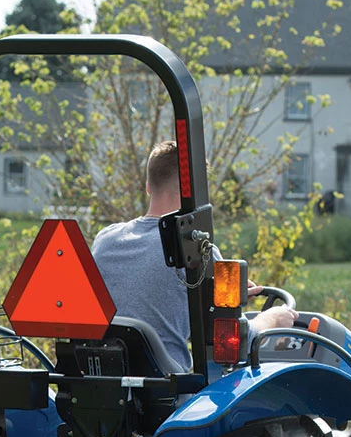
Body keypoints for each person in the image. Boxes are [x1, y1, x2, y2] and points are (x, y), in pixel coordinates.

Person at [89, 140, 294, 371]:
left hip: (102, 379)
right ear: (195, 193)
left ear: (148, 186)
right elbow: (232, 342)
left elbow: (148, 300)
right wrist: (273, 319)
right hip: (167, 395)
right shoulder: (196, 249)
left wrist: (213, 294)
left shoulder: (105, 240)